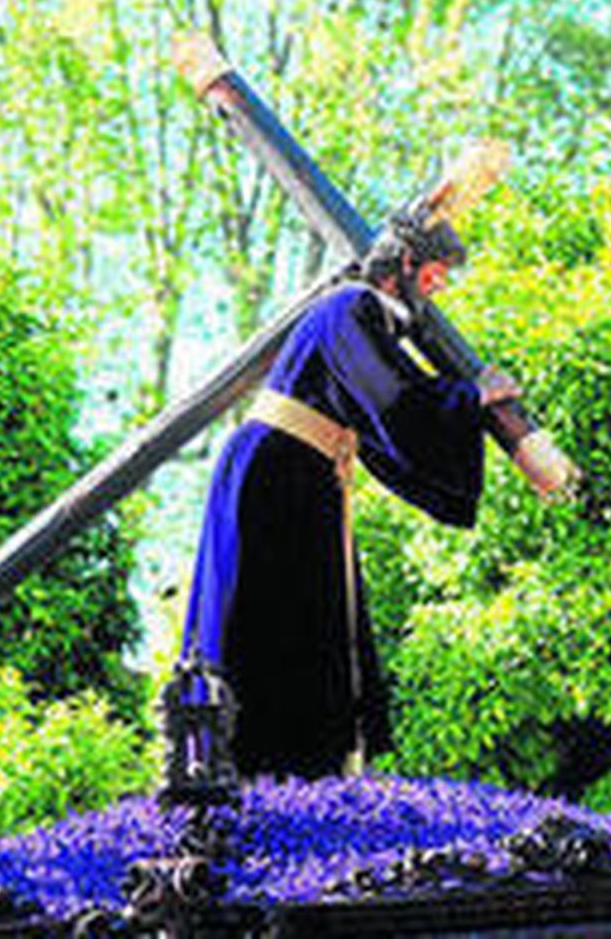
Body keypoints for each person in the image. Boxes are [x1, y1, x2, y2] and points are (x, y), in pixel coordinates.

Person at [179, 210, 520, 778]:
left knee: (302, 625)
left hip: (300, 478)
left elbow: (385, 416)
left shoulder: (364, 321)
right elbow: (396, 404)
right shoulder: (351, 306)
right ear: (405, 266)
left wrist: (458, 402)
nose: (437, 291)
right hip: (276, 475)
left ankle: (296, 773)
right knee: (264, 620)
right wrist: (471, 397)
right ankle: (252, 766)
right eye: (434, 276)